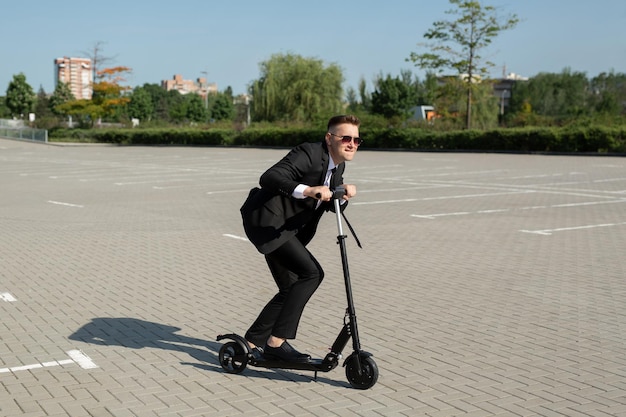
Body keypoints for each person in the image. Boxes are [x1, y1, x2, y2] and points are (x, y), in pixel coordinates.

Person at [240, 114, 363, 363]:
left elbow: (328, 203)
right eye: (345, 138)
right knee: (312, 273)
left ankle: (251, 341)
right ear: (329, 138)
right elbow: (269, 178)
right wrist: (306, 190)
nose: (351, 144)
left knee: (290, 287)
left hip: (289, 229)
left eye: (357, 140)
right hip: (269, 223)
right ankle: (276, 343)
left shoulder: (338, 165)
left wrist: (342, 196)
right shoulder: (308, 153)